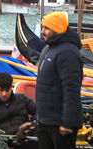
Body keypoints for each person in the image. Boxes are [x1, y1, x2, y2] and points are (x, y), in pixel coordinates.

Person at [35, 12, 83, 149]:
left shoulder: (68, 53)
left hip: (60, 122)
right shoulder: (47, 49)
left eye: (46, 28)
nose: (42, 31)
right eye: (42, 27)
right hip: (45, 120)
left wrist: (67, 121)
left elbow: (71, 89)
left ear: (56, 30)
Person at [0, 71, 35, 136]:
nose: (4, 94)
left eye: (7, 90)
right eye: (1, 90)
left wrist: (31, 124)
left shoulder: (22, 99)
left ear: (11, 87)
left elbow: (40, 112)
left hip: (28, 136)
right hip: (4, 141)